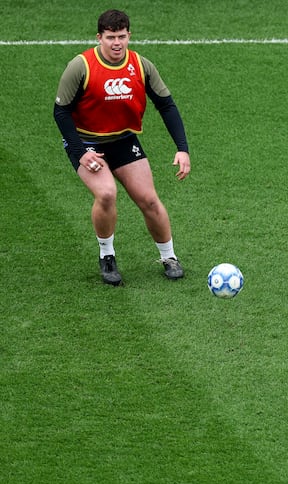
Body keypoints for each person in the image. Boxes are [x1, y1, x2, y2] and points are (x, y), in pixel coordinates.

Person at [53, 9, 191, 286]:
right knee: (106, 193)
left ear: (129, 35)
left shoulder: (141, 66)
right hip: (87, 141)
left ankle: (169, 256)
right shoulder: (80, 66)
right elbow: (61, 112)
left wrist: (182, 148)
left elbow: (166, 104)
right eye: (111, 37)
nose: (117, 43)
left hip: (124, 140)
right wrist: (81, 153)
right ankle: (107, 256)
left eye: (122, 36)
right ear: (99, 37)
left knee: (149, 200)